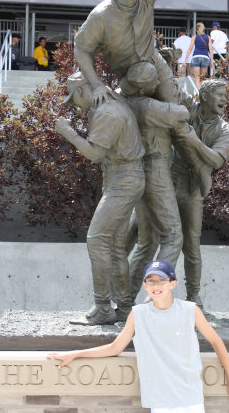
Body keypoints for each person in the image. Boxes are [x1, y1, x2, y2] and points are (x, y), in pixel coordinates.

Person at [48, 259, 229, 412]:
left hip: (190, 396)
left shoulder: (190, 310)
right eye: (150, 280)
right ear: (145, 285)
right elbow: (115, 348)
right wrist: (75, 354)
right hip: (160, 399)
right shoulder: (138, 314)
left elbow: (215, 341)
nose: (155, 285)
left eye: (161, 280)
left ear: (172, 283)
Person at [55, 72, 145, 325]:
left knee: (96, 240)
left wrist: (68, 133)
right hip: (121, 177)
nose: (74, 105)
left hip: (124, 180)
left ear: (85, 90)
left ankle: (103, 307)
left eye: (74, 98)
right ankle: (125, 307)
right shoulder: (105, 105)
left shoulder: (107, 112)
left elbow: (94, 153)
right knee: (115, 247)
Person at [119, 62, 190, 302]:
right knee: (173, 235)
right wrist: (173, 94)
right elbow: (182, 112)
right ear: (146, 86)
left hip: (139, 171)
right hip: (155, 171)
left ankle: (125, 299)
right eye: (154, 80)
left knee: (146, 241)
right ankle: (156, 297)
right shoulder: (147, 105)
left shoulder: (126, 100)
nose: (158, 83)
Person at [74, 0, 185, 107]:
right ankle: (125, 96)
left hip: (155, 61)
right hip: (130, 77)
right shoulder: (100, 17)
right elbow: (82, 49)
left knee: (175, 104)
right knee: (146, 76)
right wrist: (96, 85)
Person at [171, 79, 229, 308]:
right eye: (219, 94)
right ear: (204, 96)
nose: (224, 99)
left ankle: (194, 295)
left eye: (225, 95)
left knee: (191, 243)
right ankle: (154, 292)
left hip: (193, 189)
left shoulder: (226, 131)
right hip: (167, 181)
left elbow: (215, 159)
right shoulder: (189, 108)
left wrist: (193, 141)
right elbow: (172, 89)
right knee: (158, 238)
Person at [184, 23, 214, 90]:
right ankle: (202, 94)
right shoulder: (208, 37)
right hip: (205, 57)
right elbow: (211, 50)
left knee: (197, 78)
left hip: (196, 57)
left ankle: (198, 94)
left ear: (197, 29)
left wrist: (185, 60)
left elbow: (190, 49)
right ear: (203, 29)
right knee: (202, 78)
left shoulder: (194, 36)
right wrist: (211, 61)